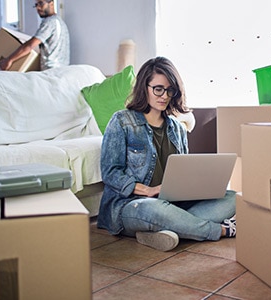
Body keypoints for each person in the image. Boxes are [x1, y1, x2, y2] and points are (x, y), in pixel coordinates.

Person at [97, 56, 236, 252]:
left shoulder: (177, 128)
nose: (164, 96)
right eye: (158, 89)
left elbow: (184, 172)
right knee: (152, 209)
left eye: (170, 90)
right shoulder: (122, 121)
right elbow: (110, 172)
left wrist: (196, 187)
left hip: (173, 204)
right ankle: (220, 231)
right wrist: (148, 191)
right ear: (144, 87)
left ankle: (166, 230)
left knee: (232, 198)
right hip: (133, 205)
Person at [0, 0, 70, 71]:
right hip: (61, 71)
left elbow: (30, 45)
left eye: (41, 3)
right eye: (36, 5)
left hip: (51, 71)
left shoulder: (50, 22)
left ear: (51, 3)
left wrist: (9, 60)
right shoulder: (60, 22)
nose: (38, 8)